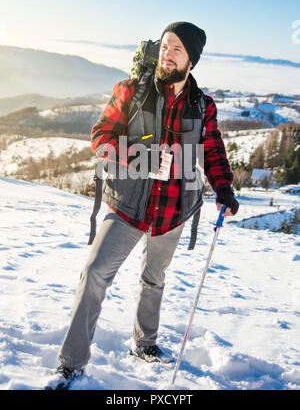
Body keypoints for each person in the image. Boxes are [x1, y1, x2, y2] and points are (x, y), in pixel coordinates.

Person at [47, 21, 239, 389]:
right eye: (165, 46)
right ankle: (70, 364)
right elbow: (100, 138)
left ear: (191, 62)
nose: (167, 54)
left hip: (174, 210)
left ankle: (145, 343)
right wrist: (142, 159)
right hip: (127, 206)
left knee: (155, 279)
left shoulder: (203, 106)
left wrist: (224, 189)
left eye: (177, 49)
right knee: (94, 273)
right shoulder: (131, 90)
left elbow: (212, 151)